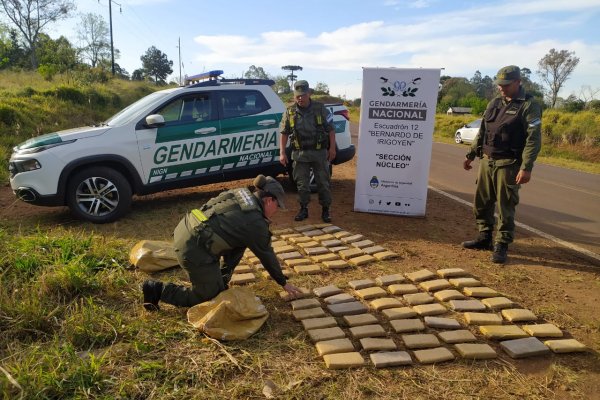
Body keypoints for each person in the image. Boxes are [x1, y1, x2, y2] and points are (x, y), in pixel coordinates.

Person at [142, 175, 303, 311]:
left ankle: (220, 281)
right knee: (206, 296)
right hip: (194, 248)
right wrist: (283, 282)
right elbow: (266, 254)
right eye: (277, 205)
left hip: (186, 230)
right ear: (268, 200)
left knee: (240, 243)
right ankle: (157, 290)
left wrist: (222, 279)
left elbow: (235, 241)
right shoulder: (255, 223)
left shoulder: (240, 193)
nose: (277, 210)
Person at [462, 65, 542, 264]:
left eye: (505, 85)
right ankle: (485, 237)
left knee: (506, 206)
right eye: (499, 85)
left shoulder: (528, 105)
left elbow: (533, 139)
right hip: (487, 161)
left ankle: (502, 245)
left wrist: (526, 167)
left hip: (509, 163)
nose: (501, 88)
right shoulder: (495, 102)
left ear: (517, 82)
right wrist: (471, 154)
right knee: (481, 203)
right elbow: (483, 130)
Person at [279, 80, 336, 223]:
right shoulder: (290, 111)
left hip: (319, 153)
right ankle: (303, 209)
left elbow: (331, 129)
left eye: (302, 95)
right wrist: (282, 152)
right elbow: (284, 133)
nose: (299, 98)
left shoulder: (320, 109)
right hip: (300, 154)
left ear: (309, 94)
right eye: (297, 95)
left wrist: (332, 148)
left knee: (323, 183)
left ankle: (325, 210)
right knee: (302, 184)